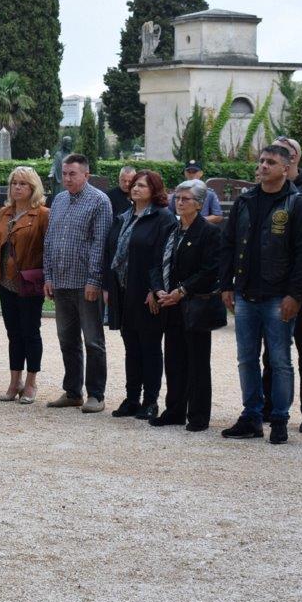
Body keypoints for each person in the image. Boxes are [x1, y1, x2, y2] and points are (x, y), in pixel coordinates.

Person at [219, 144, 302, 445]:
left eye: (270, 162)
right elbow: (229, 243)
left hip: (279, 295)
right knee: (246, 359)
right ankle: (251, 415)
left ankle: (279, 419)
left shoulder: (296, 204)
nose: (262, 166)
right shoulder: (245, 201)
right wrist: (227, 285)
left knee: (280, 359)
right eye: (261, 161)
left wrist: (295, 295)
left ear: (286, 168)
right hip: (246, 293)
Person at [261, 136, 302, 433]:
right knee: (270, 351)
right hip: (268, 285)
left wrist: (297, 290)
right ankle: (269, 406)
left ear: (294, 159)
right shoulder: (266, 189)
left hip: (298, 284)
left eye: (283, 153)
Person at [149, 179, 223, 430]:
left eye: (185, 199)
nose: (179, 203)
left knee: (197, 361)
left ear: (199, 204)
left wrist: (182, 291)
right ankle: (175, 409)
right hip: (170, 304)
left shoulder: (209, 232)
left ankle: (199, 415)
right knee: (174, 359)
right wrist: (158, 288)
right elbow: (156, 262)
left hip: (194, 305)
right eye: (177, 198)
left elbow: (210, 269)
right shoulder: (171, 229)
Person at [42, 154, 111, 411]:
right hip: (61, 282)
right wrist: (48, 276)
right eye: (65, 173)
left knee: (93, 341)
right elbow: (49, 240)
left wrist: (94, 280)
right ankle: (72, 391)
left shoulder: (99, 201)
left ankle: (96, 394)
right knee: (67, 340)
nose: (67, 178)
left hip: (85, 284)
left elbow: (100, 243)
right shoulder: (59, 200)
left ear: (86, 175)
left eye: (73, 174)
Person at [107, 169, 176, 420]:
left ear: (155, 190)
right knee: (131, 347)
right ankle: (132, 397)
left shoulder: (163, 218)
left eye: (143, 186)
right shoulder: (124, 216)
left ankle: (150, 400)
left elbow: (164, 257)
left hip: (147, 292)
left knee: (149, 347)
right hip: (125, 290)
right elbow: (112, 254)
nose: (136, 189)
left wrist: (154, 290)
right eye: (135, 185)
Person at [0, 165, 51, 404]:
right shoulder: (4, 213)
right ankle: (15, 381)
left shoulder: (43, 214)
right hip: (6, 282)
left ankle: (32, 382)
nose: (17, 187)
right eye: (14, 183)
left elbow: (48, 249)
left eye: (23, 184)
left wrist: (47, 278)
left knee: (30, 332)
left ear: (33, 188)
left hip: (29, 282)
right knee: (13, 333)